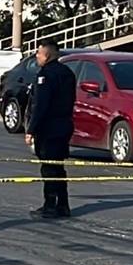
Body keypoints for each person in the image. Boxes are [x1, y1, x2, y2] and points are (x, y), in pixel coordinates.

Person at [25, 40, 76, 218]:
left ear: (47, 55)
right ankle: (63, 205)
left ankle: (50, 205)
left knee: (48, 167)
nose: (37, 56)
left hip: (49, 127)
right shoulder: (68, 73)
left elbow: (40, 105)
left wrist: (31, 129)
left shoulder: (45, 75)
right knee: (58, 166)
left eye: (39, 53)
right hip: (64, 125)